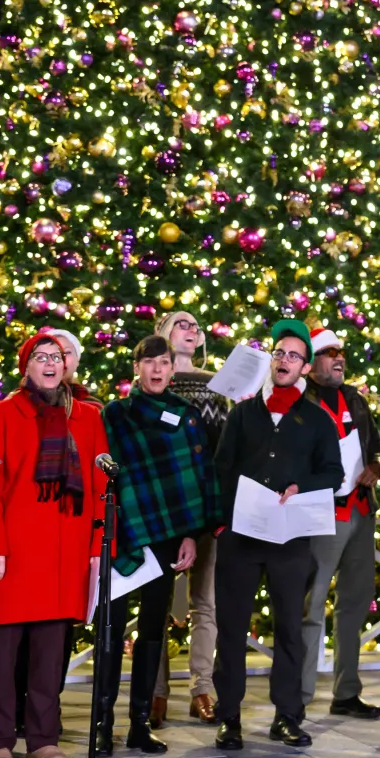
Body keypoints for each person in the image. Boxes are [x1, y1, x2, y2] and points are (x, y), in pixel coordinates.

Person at [0, 331, 107, 758]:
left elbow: (100, 486)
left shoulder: (87, 417)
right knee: (3, 653)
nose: (50, 363)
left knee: (51, 655)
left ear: (67, 365)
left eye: (57, 356)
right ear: (26, 366)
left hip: (64, 553)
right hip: (13, 551)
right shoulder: (2, 413)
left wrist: (95, 549)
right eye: (40, 357)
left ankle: (42, 738)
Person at [210, 320, 343, 750]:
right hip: (241, 538)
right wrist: (220, 523)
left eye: (293, 356)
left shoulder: (318, 420)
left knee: (289, 627)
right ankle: (228, 716)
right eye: (279, 353)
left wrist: (300, 487)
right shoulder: (245, 412)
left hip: (290, 541)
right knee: (230, 628)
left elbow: (334, 473)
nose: (284, 361)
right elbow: (221, 469)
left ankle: (287, 715)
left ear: (305, 368)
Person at [97, 334, 217, 755]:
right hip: (124, 534)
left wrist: (190, 535)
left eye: (164, 362)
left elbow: (198, 480)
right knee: (110, 627)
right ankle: (102, 724)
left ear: (171, 367)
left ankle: (139, 725)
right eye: (149, 363)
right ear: (137, 368)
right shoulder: (114, 415)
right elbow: (105, 472)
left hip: (168, 537)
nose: (157, 370)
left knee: (153, 629)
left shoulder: (186, 416)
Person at [299, 325, 380, 719]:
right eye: (330, 351)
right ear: (312, 361)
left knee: (353, 605)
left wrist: (376, 466)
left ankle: (346, 692)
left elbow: (377, 449)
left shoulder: (356, 399)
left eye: (341, 351)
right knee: (311, 606)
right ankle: (297, 697)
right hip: (321, 513)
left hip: (361, 511)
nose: (339, 357)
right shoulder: (301, 399)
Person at [153, 309, 229, 726]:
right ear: (162, 334)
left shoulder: (217, 387)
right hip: (163, 513)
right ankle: (155, 691)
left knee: (206, 603)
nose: (191, 329)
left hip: (206, 512)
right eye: (181, 323)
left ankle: (202, 687)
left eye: (195, 325)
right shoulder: (152, 384)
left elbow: (223, 452)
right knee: (157, 604)